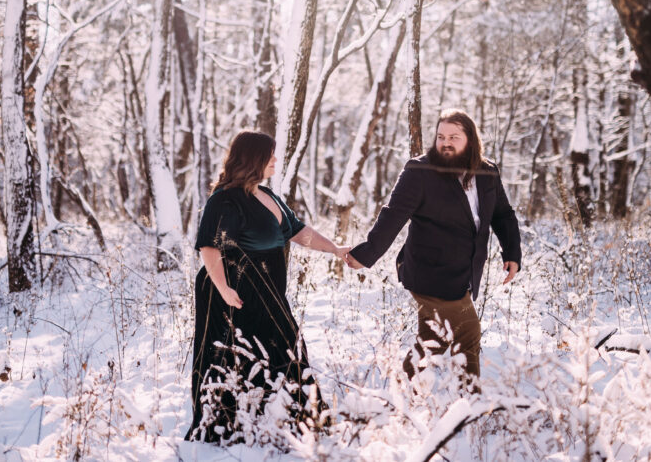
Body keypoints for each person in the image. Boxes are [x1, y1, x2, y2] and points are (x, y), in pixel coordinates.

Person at [186, 130, 348, 443]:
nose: (275, 161)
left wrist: (336, 250)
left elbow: (299, 232)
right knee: (235, 355)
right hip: (233, 293)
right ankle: (229, 427)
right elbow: (210, 248)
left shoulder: (268, 195)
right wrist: (222, 288)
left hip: (268, 290)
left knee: (287, 349)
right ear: (252, 160)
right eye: (269, 156)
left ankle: (296, 421)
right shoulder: (225, 200)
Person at [345, 108, 521, 383]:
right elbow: (394, 214)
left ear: (470, 140)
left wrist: (512, 252)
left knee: (434, 339)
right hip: (428, 271)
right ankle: (468, 402)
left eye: (454, 136)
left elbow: (503, 214)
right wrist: (366, 254)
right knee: (467, 332)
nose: (445, 142)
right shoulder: (420, 170)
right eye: (441, 136)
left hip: (465, 272)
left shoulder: (487, 172)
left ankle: (405, 391)